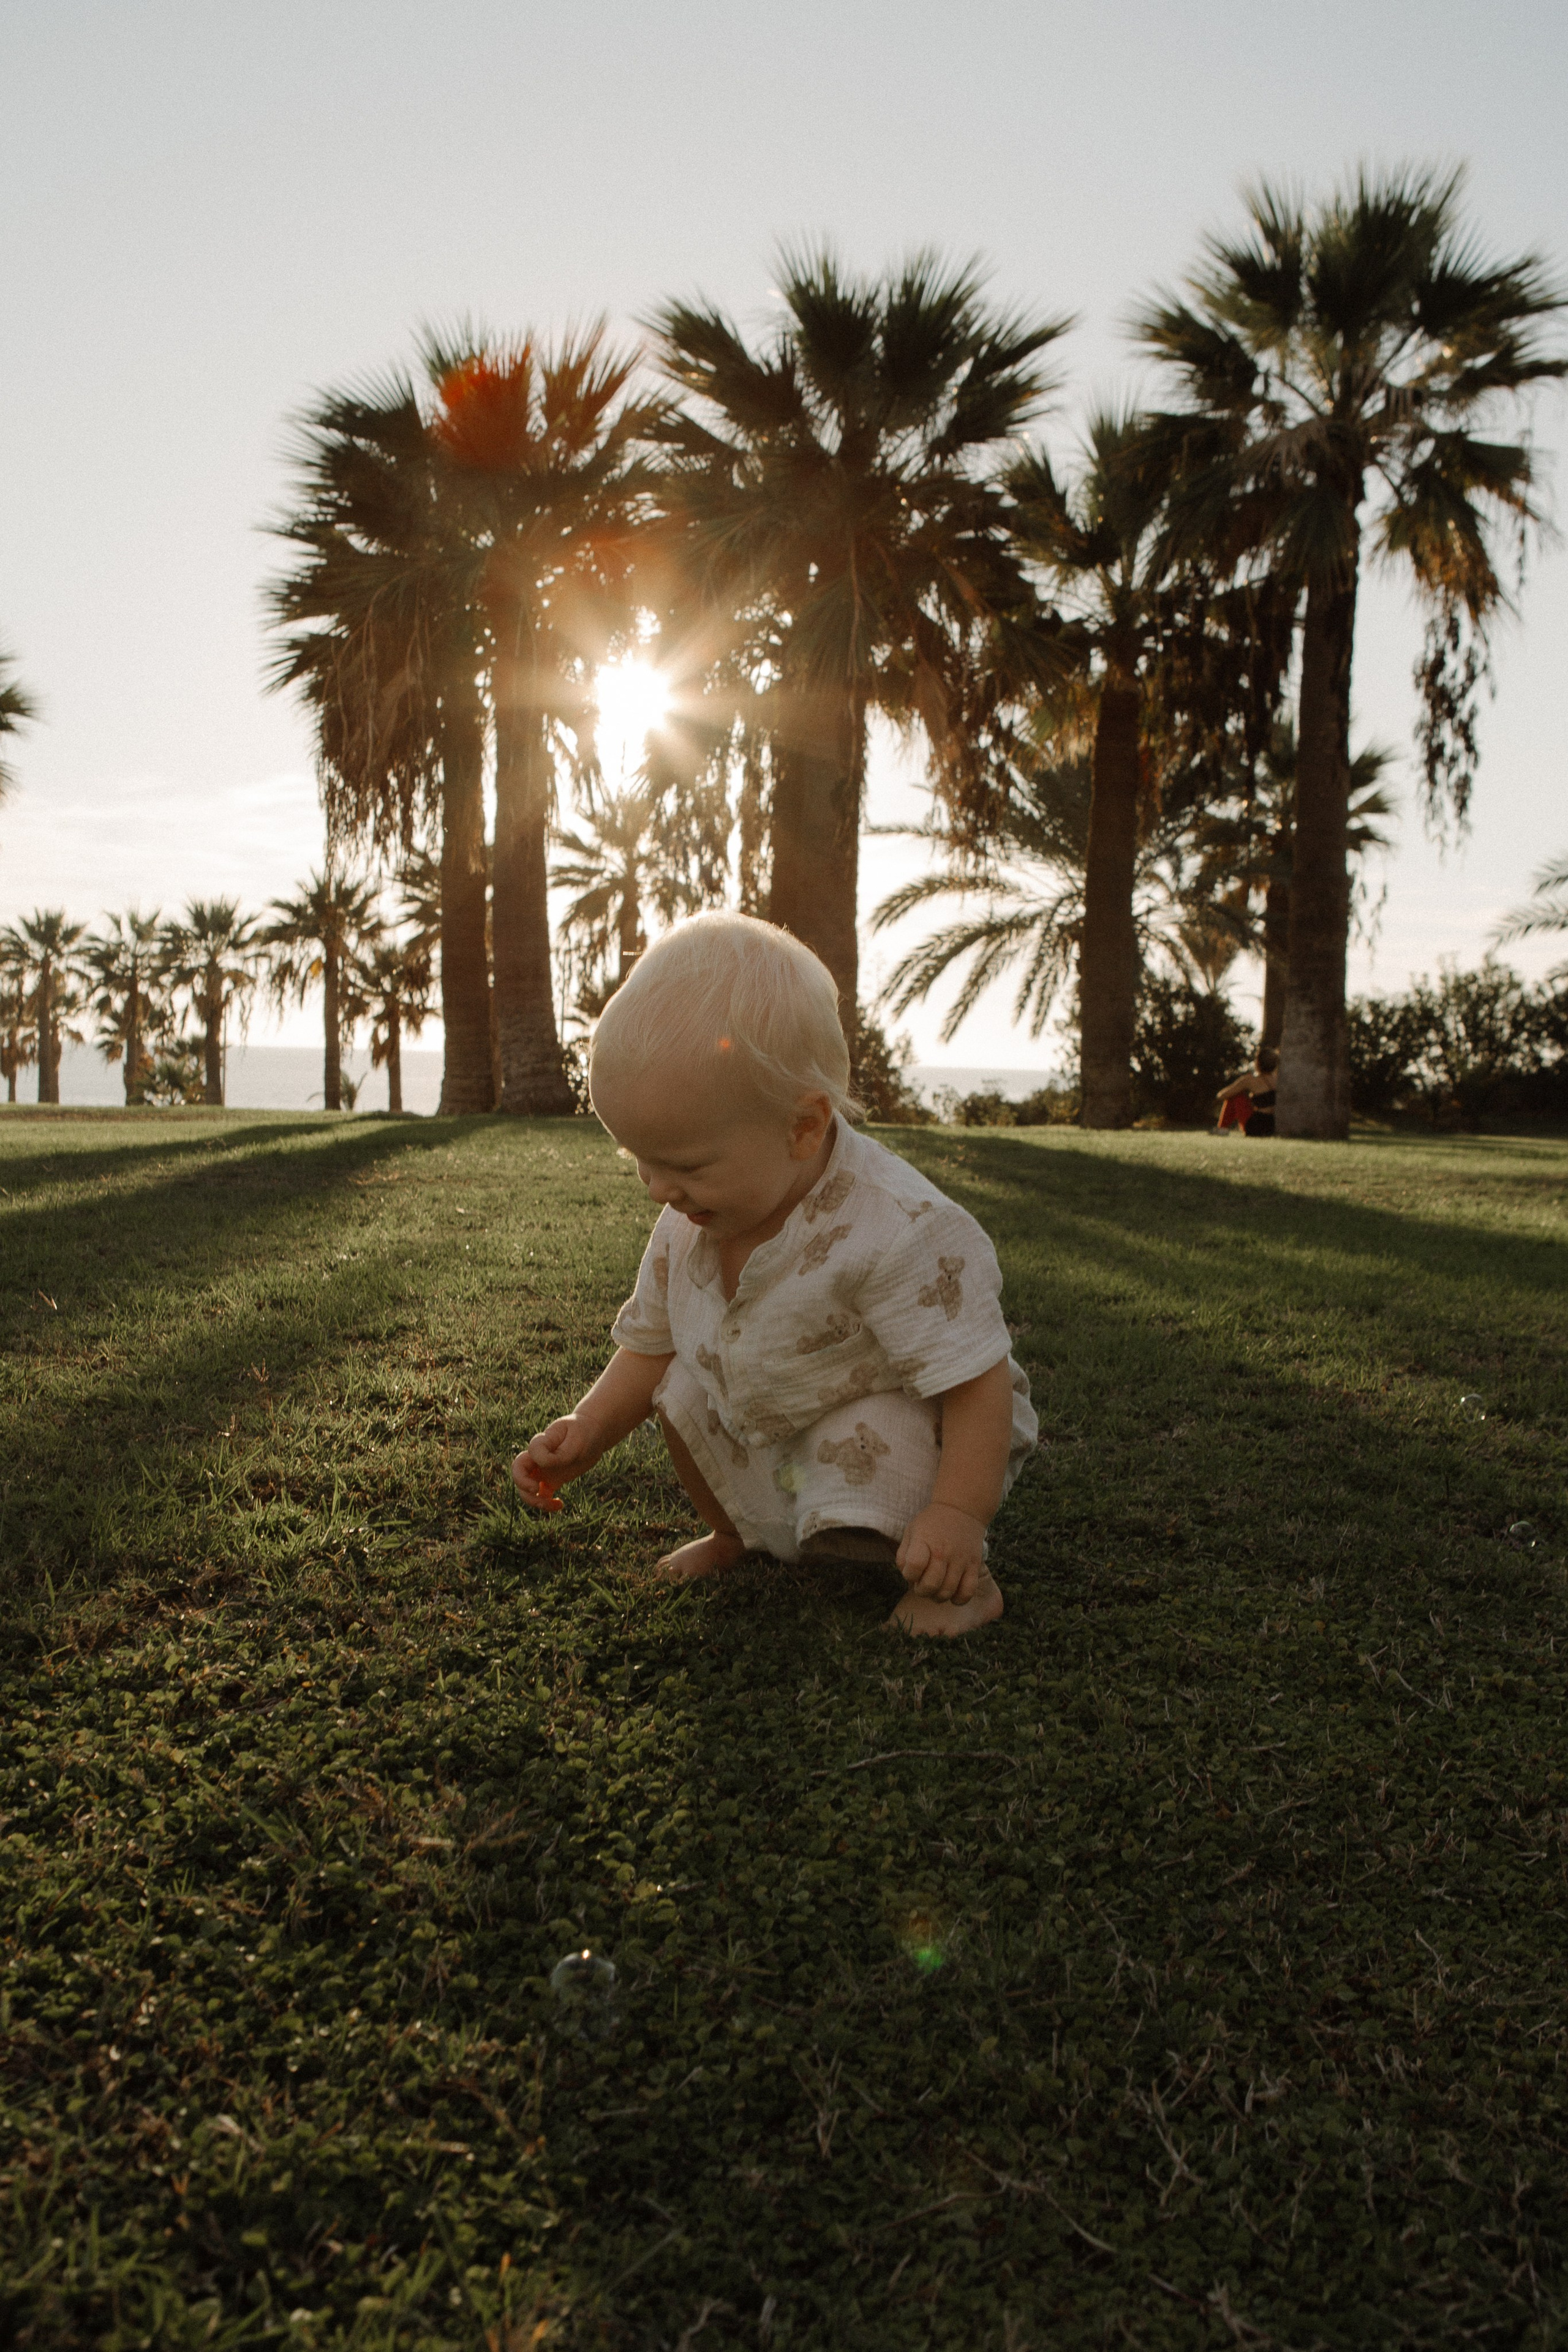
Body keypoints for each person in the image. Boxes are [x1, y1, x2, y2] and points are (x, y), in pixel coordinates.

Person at [511, 911, 1037, 1637]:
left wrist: (958, 1513)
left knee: (876, 1433)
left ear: (803, 1127)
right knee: (682, 1392)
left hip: (912, 1417)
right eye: (641, 1158)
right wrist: (588, 1428)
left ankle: (960, 1586)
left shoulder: (898, 1229)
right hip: (775, 1405)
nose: (658, 1189)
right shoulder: (690, 1222)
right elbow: (650, 1346)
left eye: (686, 1165)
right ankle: (740, 1538)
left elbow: (976, 1383)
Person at [1215, 1044, 1279, 1137]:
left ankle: (1222, 1128)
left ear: (1258, 1062)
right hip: (1273, 1126)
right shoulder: (1279, 1080)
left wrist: (1243, 1088)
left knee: (1237, 1097)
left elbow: (1222, 1095)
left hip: (1256, 1126)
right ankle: (1222, 1129)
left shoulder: (1250, 1080)